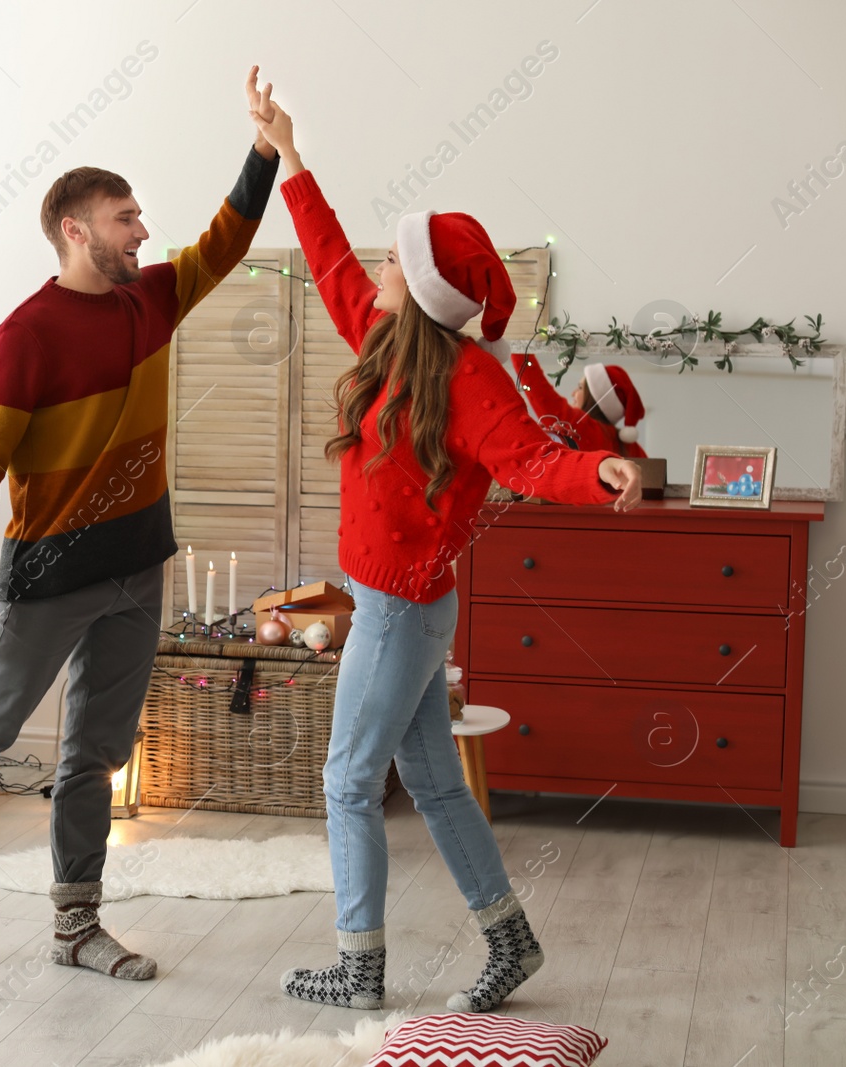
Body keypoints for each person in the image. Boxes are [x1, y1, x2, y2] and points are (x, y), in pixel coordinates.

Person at [0, 69, 283, 982]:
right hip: (46, 579)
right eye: (126, 219)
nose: (143, 232)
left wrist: (265, 150)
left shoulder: (152, 299)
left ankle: (76, 927)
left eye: (141, 220)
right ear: (77, 230)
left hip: (137, 568)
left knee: (94, 757)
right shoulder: (26, 334)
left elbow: (225, 243)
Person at [246, 78, 641, 1013]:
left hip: (402, 613)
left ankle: (359, 964)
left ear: (424, 288)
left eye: (399, 256)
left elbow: (537, 462)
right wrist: (287, 151)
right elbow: (328, 249)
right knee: (433, 781)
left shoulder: (474, 385)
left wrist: (601, 473)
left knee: (348, 781)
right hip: (401, 609)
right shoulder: (381, 336)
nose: (380, 262)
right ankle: (512, 941)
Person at [511, 352, 649, 458]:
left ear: (594, 398)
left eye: (580, 388)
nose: (573, 393)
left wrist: (521, 342)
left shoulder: (578, 425)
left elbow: (538, 389)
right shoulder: (631, 447)